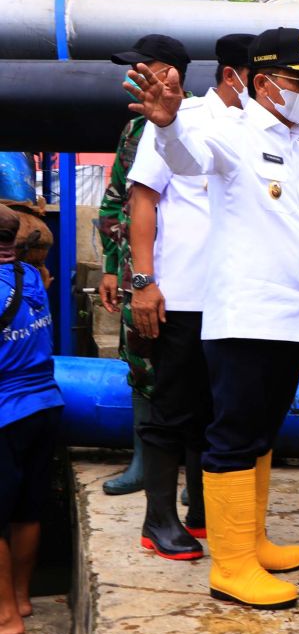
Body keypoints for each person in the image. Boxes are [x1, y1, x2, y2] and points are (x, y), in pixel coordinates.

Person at [127, 26, 299, 610]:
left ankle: (253, 540)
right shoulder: (227, 129)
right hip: (244, 315)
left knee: (262, 434)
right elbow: (188, 160)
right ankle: (232, 565)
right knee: (231, 438)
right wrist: (167, 122)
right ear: (263, 80)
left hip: (288, 316)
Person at [125, 33, 255, 561]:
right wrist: (144, 280)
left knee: (214, 408)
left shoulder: (261, 131)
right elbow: (143, 200)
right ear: (235, 75)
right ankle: (158, 520)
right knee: (170, 409)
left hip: (235, 299)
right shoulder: (183, 119)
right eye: (268, 79)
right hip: (180, 293)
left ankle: (203, 509)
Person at [98, 34, 192, 497]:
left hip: (187, 273)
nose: (134, 75)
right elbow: (116, 201)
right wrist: (113, 269)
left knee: (192, 373)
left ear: (173, 72)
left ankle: (195, 477)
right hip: (140, 274)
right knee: (139, 362)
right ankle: (144, 465)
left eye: (145, 67)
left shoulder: (200, 122)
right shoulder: (135, 127)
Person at [0, 204, 63, 634]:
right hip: (45, 405)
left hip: (5, 411)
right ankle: (21, 597)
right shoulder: (34, 279)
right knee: (26, 510)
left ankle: (6, 617)